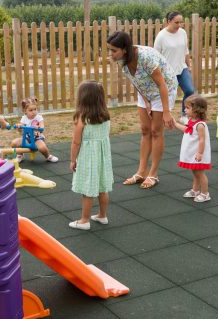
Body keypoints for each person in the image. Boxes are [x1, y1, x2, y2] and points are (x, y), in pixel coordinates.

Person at [107, 31, 177, 189]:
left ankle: (153, 174)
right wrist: (145, 101)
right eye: (109, 49)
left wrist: (166, 112)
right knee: (145, 130)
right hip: (146, 90)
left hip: (163, 90)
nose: (110, 54)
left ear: (124, 49)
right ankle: (141, 172)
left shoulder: (145, 57)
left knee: (156, 132)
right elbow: (136, 81)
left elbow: (162, 84)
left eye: (113, 50)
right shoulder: (121, 60)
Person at [69, 80, 113, 230]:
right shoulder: (106, 116)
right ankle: (102, 215)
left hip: (88, 158)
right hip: (102, 158)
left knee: (88, 190)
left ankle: (84, 221)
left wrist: (72, 160)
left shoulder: (82, 119)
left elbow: (76, 143)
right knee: (102, 187)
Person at [172, 95, 211, 202]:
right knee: (195, 171)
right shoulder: (191, 121)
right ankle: (195, 190)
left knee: (200, 173)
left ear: (197, 110)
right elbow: (186, 129)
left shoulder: (200, 125)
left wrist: (200, 153)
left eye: (188, 108)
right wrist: (175, 124)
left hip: (198, 153)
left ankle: (205, 193)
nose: (185, 109)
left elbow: (203, 140)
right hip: (193, 152)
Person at [154, 11, 195, 114]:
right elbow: (155, 56)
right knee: (167, 97)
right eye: (176, 22)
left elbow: (186, 51)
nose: (179, 25)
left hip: (182, 68)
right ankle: (165, 116)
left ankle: (184, 115)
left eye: (180, 22)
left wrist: (189, 66)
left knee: (190, 91)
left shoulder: (183, 33)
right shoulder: (161, 36)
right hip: (167, 72)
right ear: (169, 21)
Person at [11, 97, 58, 163]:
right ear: (25, 111)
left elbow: (42, 128)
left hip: (37, 138)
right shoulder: (24, 118)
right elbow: (21, 131)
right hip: (26, 138)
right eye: (31, 110)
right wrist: (19, 127)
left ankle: (48, 156)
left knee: (42, 148)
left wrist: (38, 127)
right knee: (14, 143)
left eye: (35, 109)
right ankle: (19, 155)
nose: (34, 112)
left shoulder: (39, 117)